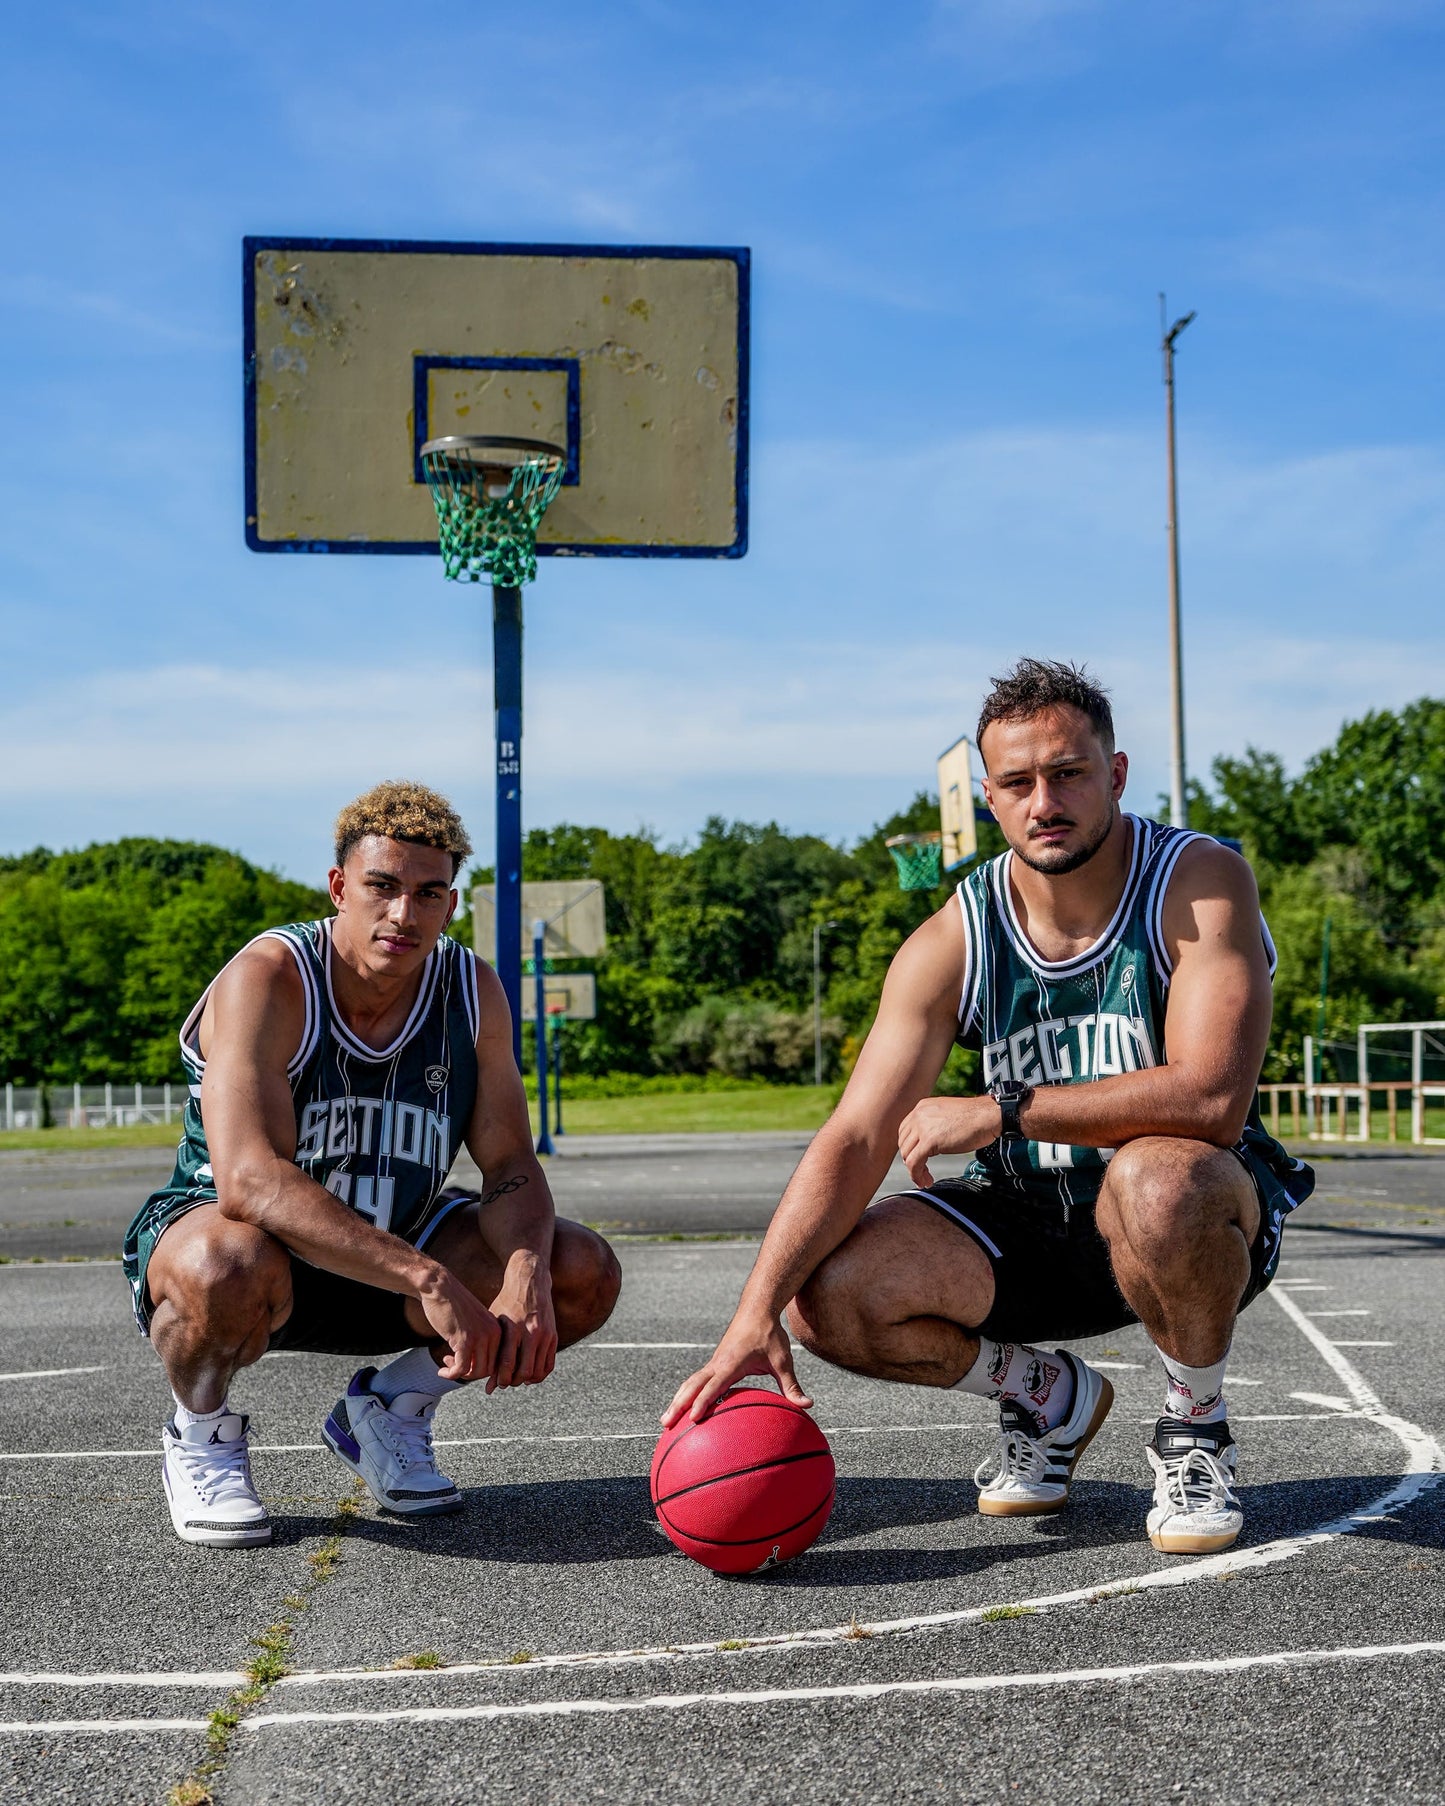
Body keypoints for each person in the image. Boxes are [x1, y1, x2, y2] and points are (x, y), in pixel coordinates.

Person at [664, 659, 1313, 1555]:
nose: (1044, 800)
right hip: (1028, 1220)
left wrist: (1001, 1108)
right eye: (1017, 782)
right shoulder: (954, 936)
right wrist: (753, 1311)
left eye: (1068, 774)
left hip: (1187, 1213)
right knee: (830, 1296)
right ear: (989, 798)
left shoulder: (1195, 881)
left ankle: (1193, 1425)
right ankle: (1049, 1396)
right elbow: (855, 1133)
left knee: (1157, 1178)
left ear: (1115, 775)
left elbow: (1210, 1098)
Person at [123, 781, 621, 1547]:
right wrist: (428, 1279)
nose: (403, 914)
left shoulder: (470, 988)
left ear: (450, 905)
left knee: (578, 1268)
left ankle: (389, 1409)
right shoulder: (270, 976)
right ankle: (201, 1430)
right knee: (221, 1263)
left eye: (428, 894)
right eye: (382, 888)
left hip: (399, 1242)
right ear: (338, 888)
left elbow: (509, 1159)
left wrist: (525, 1271)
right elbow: (248, 1178)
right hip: (256, 1256)